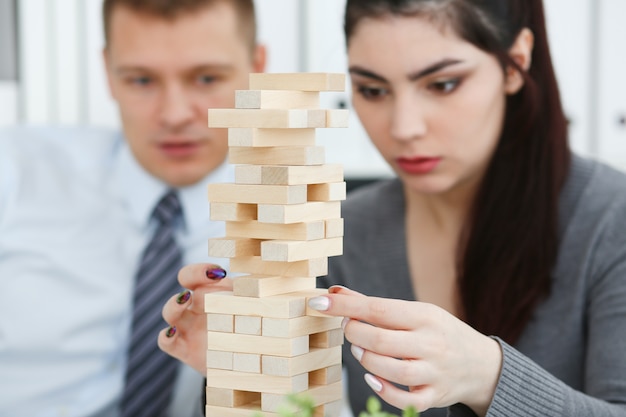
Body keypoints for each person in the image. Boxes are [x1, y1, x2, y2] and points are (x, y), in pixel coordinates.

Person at [159, 0, 626, 416]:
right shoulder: (346, 230)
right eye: (373, 90)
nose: (404, 127)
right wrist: (247, 374)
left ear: (515, 63)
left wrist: (487, 376)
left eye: (442, 84)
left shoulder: (610, 217)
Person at [0, 1, 265, 416]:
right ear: (108, 72)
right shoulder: (14, 172)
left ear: (257, 68)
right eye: (142, 80)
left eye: (207, 78)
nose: (174, 115)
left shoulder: (296, 231)